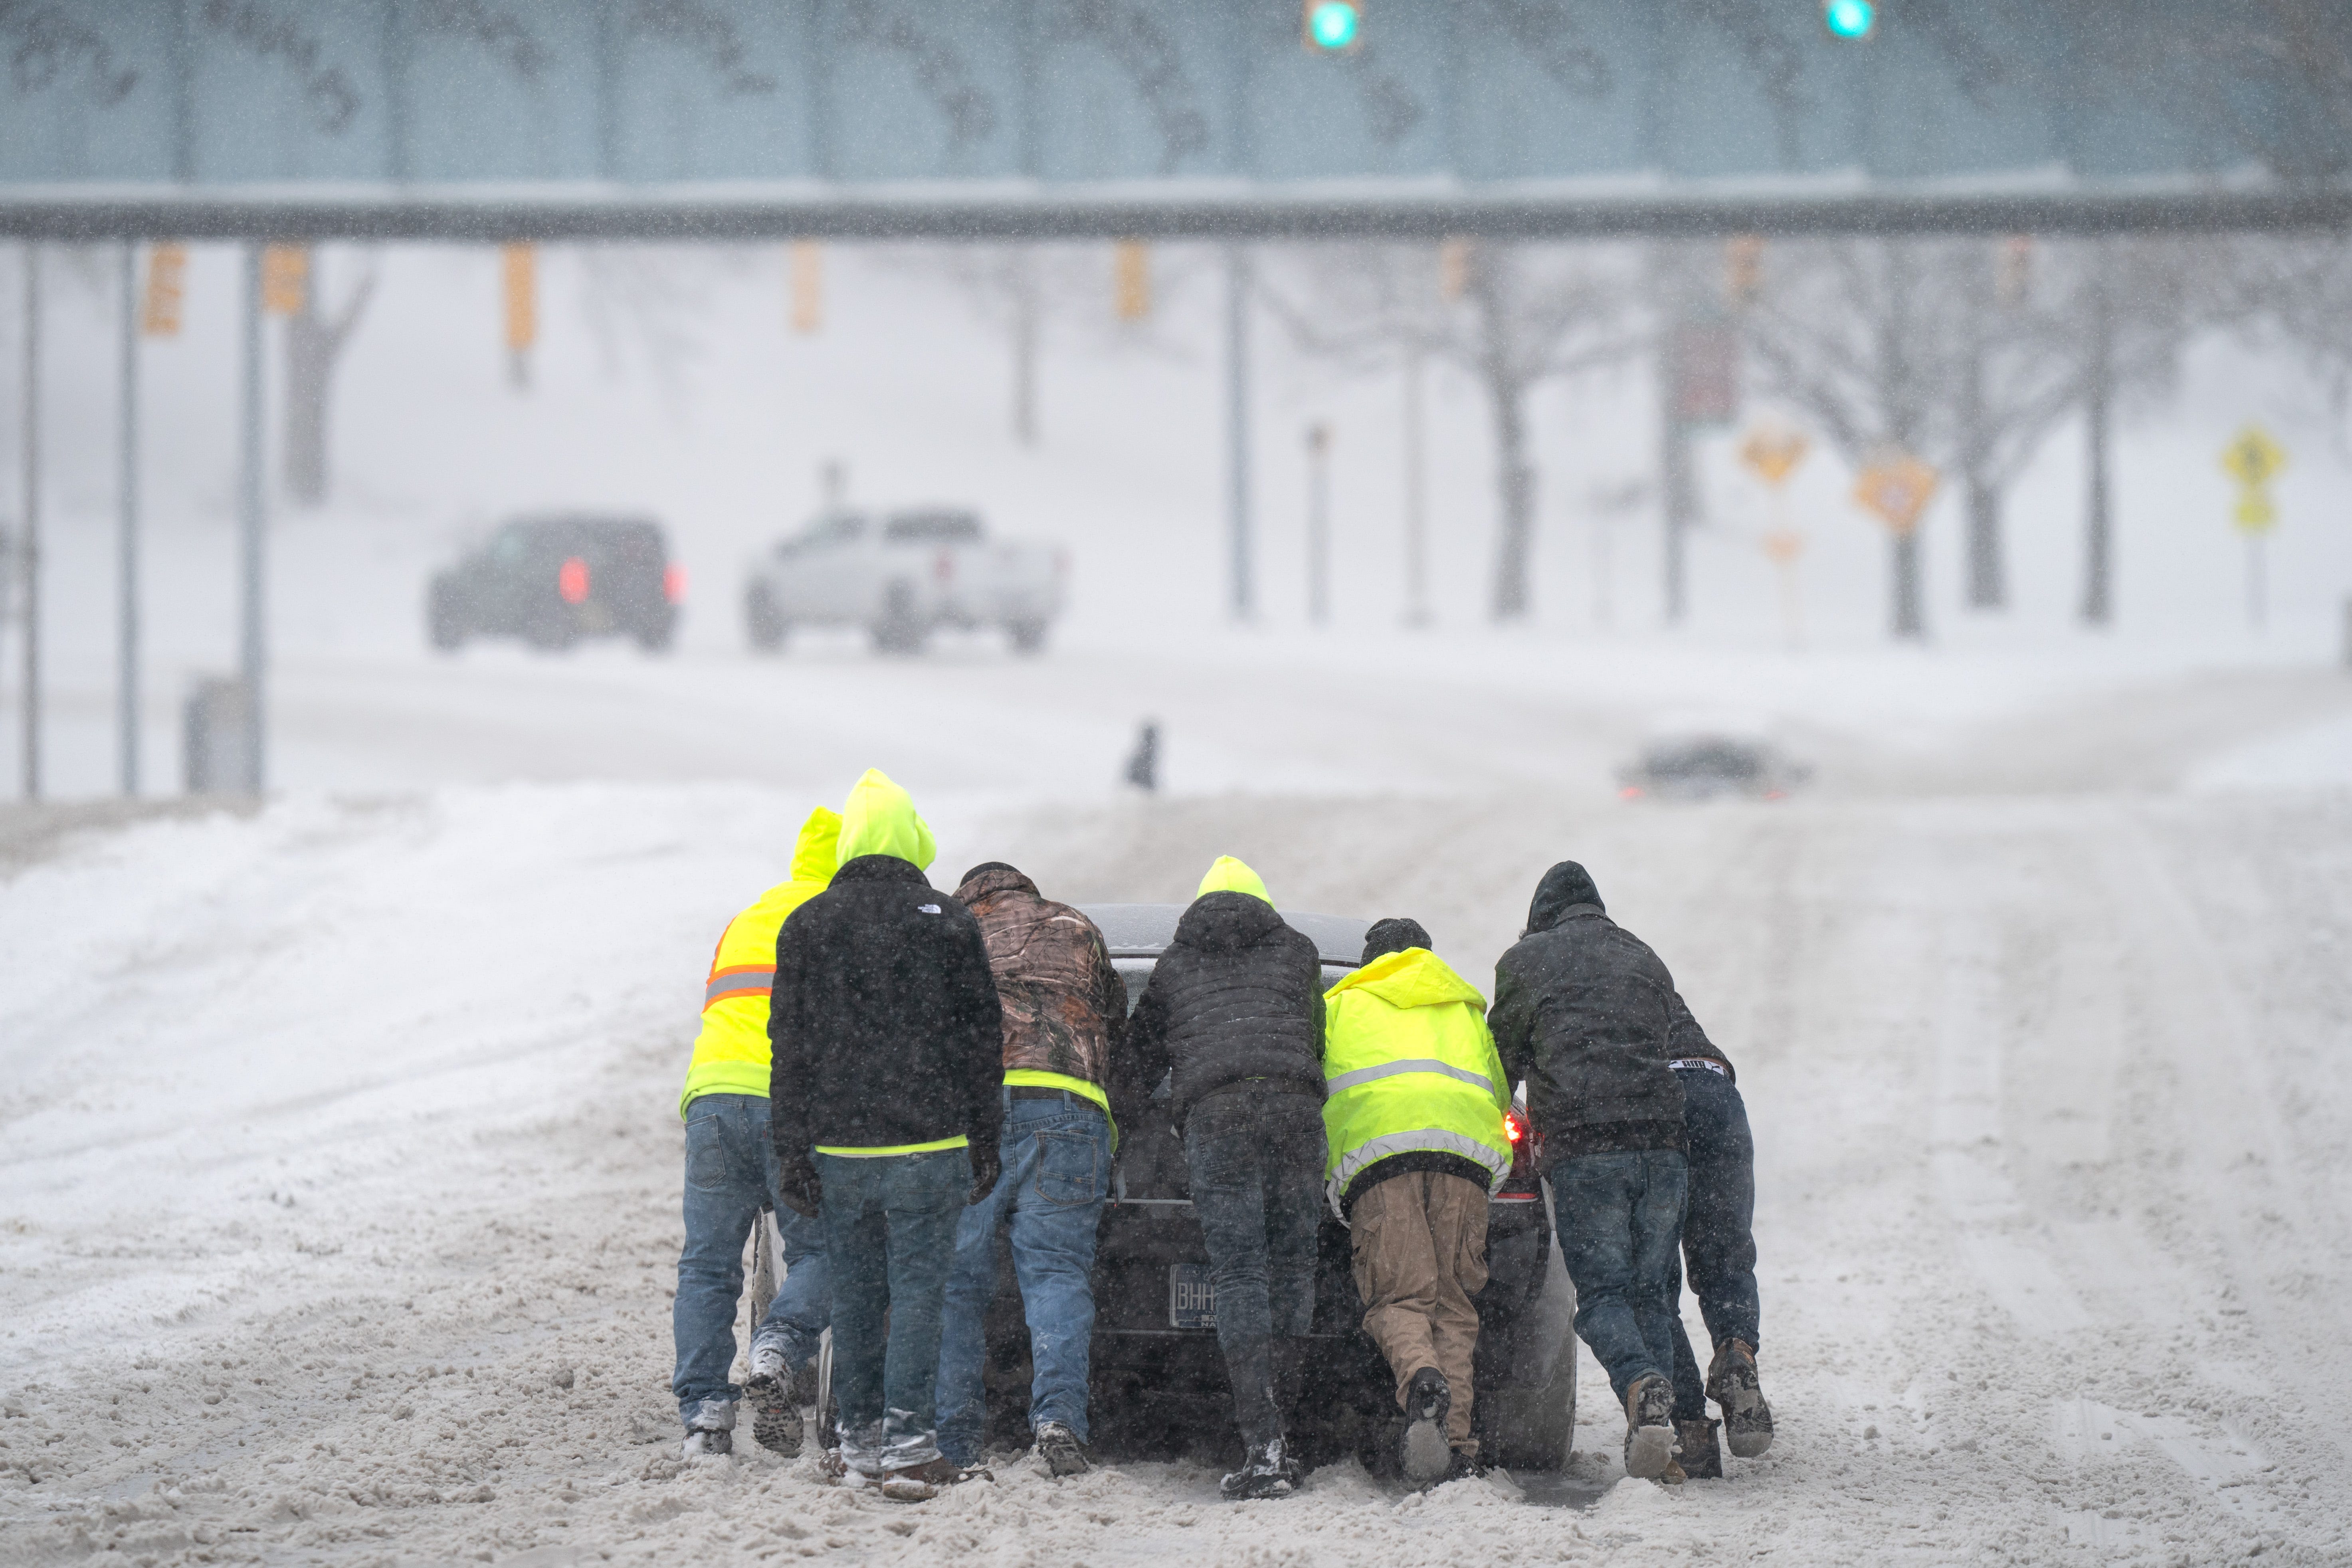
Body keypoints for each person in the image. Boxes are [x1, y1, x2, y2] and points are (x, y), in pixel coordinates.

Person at [768, 769, 1005, 1502]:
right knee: (919, 1296)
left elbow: (791, 1048)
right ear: (911, 836)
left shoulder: (807, 924)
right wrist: (985, 1138)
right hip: (929, 1147)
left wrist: (792, 1150)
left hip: (840, 1152)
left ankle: (857, 1442)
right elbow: (980, 1042)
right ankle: (910, 1446)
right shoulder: (948, 921)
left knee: (857, 1296)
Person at [1127, 855, 1328, 1500]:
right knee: (1294, 1264)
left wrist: (1133, 1121)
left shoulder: (1174, 962)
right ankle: (1285, 1435)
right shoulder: (1299, 952)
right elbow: (1316, 1041)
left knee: (1239, 1271)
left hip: (1218, 1114)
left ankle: (1261, 1444)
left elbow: (1139, 1059)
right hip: (1296, 1111)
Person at [1489, 861, 1688, 1482]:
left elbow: (1499, 1063)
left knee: (1601, 1295)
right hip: (1663, 1145)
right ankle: (1666, 1440)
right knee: (1654, 1292)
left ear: (1539, 918)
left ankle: (1642, 1384)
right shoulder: (1644, 956)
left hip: (1586, 1148)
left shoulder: (1526, 962)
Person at [934, 863, 1130, 1478]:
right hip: (1070, 1110)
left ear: (973, 898)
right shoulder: (1076, 925)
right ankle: (1059, 1421)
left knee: (958, 1284)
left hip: (977, 1112)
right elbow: (1115, 1019)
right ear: (1026, 892)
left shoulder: (955, 933)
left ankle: (954, 1440)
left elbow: (930, 1029)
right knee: (1057, 1276)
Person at [671, 806, 841, 1460]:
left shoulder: (746, 917)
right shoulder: (831, 922)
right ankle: (777, 1345)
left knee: (708, 1264)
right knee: (823, 1251)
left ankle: (705, 1416)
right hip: (786, 1102)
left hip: (712, 1097)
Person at [1319, 917, 1512, 1486]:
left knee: (1400, 1298)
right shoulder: (1463, 1008)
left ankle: (1422, 1379)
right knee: (1454, 1304)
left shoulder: (1342, 1007)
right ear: (1428, 957)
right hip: (1465, 1162)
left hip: (1380, 1163)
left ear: (1369, 962)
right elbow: (1500, 1093)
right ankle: (1456, 1446)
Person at [1659, 993, 1773, 1477]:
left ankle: (1691, 1429)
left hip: (1657, 1101)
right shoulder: (1639, 961)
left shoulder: (1560, 981)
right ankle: (1735, 1352)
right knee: (1725, 1255)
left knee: (1654, 1276)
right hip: (1717, 1088)